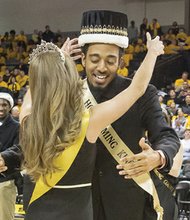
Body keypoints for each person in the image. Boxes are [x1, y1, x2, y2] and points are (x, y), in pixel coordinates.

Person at [20, 26, 164, 220]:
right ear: (69, 78)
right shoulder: (89, 121)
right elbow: (137, 88)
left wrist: (52, 65)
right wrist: (153, 53)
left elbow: (36, 89)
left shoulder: (27, 120)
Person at [77, 10, 180, 220]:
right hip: (80, 201)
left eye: (110, 60)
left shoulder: (143, 93)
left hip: (129, 202)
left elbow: (167, 137)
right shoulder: (70, 94)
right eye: (94, 59)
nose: (101, 67)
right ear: (83, 59)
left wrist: (157, 157)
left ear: (121, 62)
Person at [0, 87, 21, 220]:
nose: (1, 108)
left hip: (5, 180)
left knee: (5, 217)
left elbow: (20, 148)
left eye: (4, 105)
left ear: (10, 107)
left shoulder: (17, 126)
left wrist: (3, 157)